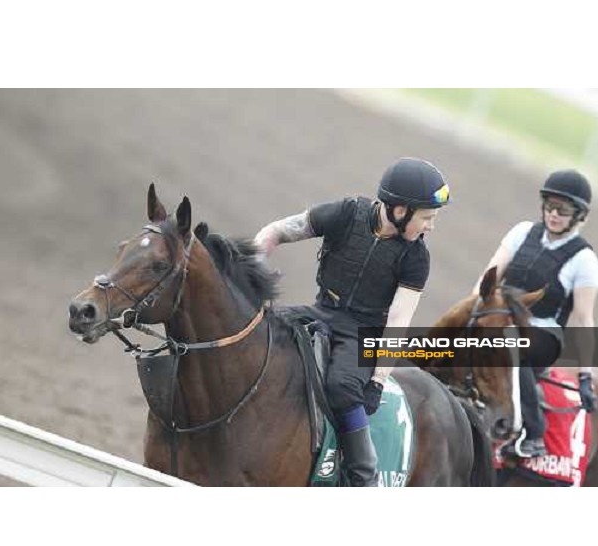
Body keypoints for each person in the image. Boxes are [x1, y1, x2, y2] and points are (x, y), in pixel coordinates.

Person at [253, 157, 450, 486]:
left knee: (342, 387)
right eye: (428, 217)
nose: (431, 226)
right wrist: (255, 266)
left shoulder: (416, 257)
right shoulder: (346, 213)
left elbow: (399, 321)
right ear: (400, 211)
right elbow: (274, 232)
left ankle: (363, 474)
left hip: (365, 334)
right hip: (320, 311)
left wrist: (376, 380)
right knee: (263, 332)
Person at [474, 169, 598, 458]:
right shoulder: (521, 232)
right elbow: (488, 277)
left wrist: (586, 374)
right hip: (502, 322)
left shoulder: (584, 260)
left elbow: (583, 318)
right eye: (549, 206)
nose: (553, 214)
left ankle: (534, 432)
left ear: (579, 215)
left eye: (563, 210)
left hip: (543, 334)